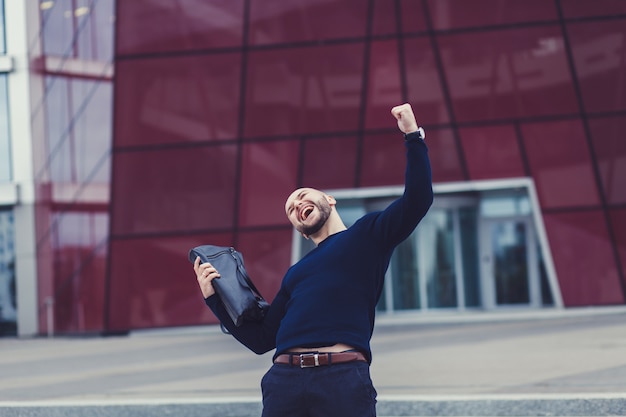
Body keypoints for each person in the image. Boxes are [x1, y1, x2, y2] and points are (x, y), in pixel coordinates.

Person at [194, 103, 433, 417]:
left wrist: (413, 137)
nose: (297, 205)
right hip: (284, 382)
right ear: (301, 231)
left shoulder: (367, 235)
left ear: (329, 200)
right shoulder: (297, 273)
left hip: (342, 379)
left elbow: (418, 199)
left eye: (302, 195)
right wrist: (214, 299)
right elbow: (262, 338)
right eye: (291, 209)